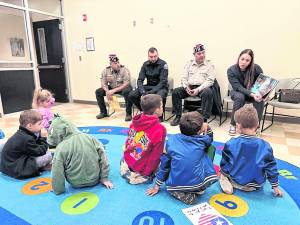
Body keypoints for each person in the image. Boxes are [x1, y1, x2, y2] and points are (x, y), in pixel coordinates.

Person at [146, 111, 218, 205]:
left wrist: (157, 185)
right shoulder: (202, 140)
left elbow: (165, 166)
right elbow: (210, 138)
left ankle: (179, 191)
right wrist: (207, 127)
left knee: (168, 159)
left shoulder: (171, 140)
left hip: (176, 184)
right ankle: (196, 189)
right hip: (199, 184)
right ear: (199, 131)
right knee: (210, 149)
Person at [219, 104, 283, 197]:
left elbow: (225, 163)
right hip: (257, 185)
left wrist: (223, 173)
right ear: (257, 125)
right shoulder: (266, 146)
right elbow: (271, 167)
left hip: (236, 182)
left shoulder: (231, 143)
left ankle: (224, 180)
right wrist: (275, 187)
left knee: (224, 173)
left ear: (237, 126)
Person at [47, 115, 113, 195]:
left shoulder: (60, 148)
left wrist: (58, 189)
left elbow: (57, 171)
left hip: (75, 182)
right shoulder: (90, 138)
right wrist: (104, 178)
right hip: (95, 179)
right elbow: (103, 157)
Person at [120, 94, 166, 184]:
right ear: (157, 110)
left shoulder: (134, 122)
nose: (162, 108)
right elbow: (156, 155)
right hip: (141, 168)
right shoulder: (160, 129)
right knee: (167, 156)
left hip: (128, 158)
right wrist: (147, 173)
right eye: (161, 106)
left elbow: (128, 141)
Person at [171, 43, 216, 126]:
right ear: (194, 55)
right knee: (175, 92)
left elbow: (210, 81)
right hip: (189, 87)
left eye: (203, 53)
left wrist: (198, 89)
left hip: (202, 88)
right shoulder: (189, 64)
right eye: (199, 53)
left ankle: (204, 119)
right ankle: (178, 116)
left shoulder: (209, 64)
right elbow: (183, 78)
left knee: (208, 92)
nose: (202, 55)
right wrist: (186, 87)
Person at [1, 110, 52, 179]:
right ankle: (41, 167)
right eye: (39, 124)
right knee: (48, 156)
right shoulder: (26, 139)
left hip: (9, 165)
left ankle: (40, 166)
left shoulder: (23, 132)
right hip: (16, 168)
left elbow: (35, 145)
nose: (42, 126)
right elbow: (39, 152)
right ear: (30, 126)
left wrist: (41, 138)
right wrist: (45, 140)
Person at [227, 49, 264, 135]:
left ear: (251, 62)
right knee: (240, 97)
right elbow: (238, 87)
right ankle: (233, 124)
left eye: (247, 60)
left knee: (259, 100)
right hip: (237, 92)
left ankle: (256, 127)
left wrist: (261, 94)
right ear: (239, 58)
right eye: (242, 59)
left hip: (253, 92)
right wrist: (252, 94)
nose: (243, 62)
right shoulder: (231, 70)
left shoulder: (256, 68)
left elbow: (261, 83)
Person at [128, 47, 168, 121]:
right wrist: (142, 91)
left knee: (159, 96)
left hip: (160, 87)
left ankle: (159, 116)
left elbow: (163, 81)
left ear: (158, 55)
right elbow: (140, 80)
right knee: (132, 95)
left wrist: (150, 92)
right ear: (148, 56)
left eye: (155, 56)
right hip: (149, 86)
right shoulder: (145, 64)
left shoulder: (163, 64)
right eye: (151, 57)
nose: (153, 58)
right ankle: (146, 112)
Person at [95, 54, 133, 121]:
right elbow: (103, 83)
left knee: (127, 91)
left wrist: (113, 91)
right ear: (111, 65)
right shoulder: (106, 70)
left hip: (123, 87)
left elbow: (126, 83)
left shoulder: (124, 69)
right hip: (112, 87)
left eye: (118, 62)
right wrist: (107, 91)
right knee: (98, 92)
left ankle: (128, 113)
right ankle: (103, 112)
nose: (118, 64)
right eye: (115, 63)